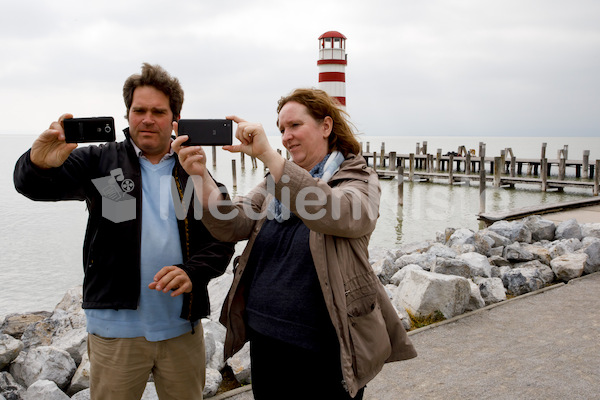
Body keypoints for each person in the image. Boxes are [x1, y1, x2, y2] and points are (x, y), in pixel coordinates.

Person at [173, 88, 417, 399]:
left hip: (324, 345)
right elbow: (232, 223)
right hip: (266, 337)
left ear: (326, 126)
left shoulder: (358, 179)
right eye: (281, 130)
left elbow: (333, 212)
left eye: (295, 126)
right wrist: (199, 177)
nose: (286, 137)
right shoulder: (274, 183)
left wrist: (268, 156)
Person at [13, 63, 235, 400]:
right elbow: (34, 186)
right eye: (139, 110)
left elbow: (222, 236)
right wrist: (38, 161)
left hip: (181, 329)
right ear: (127, 114)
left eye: (158, 111)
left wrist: (194, 272)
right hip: (114, 332)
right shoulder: (99, 161)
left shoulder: (191, 171)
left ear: (174, 119)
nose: (147, 118)